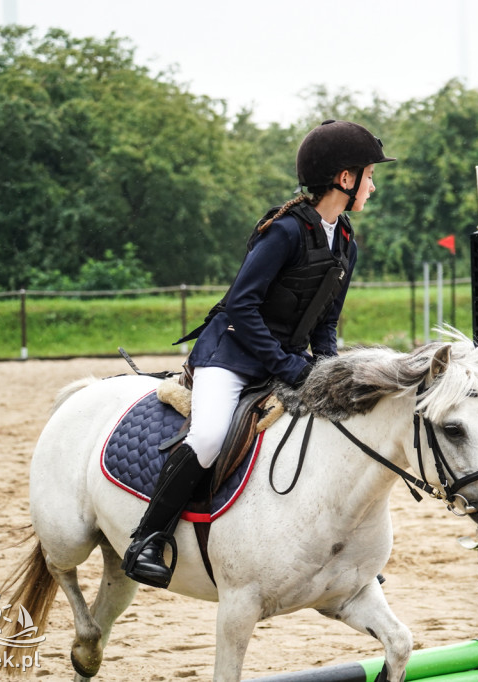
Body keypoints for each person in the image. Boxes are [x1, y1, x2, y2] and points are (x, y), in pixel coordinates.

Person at [121, 120, 395, 588]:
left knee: (332, 426)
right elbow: (242, 306)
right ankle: (147, 538)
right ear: (344, 180)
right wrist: (288, 365)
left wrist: (325, 371)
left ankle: (340, 552)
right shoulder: (285, 231)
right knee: (208, 436)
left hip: (284, 359)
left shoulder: (344, 241)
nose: (373, 185)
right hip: (229, 356)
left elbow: (327, 322)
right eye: (369, 175)